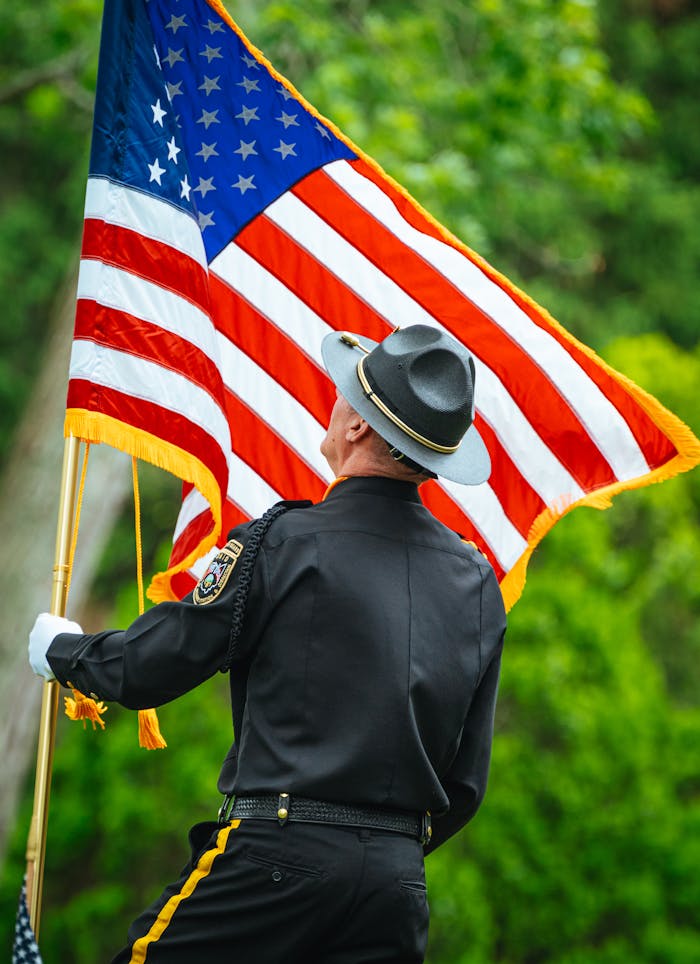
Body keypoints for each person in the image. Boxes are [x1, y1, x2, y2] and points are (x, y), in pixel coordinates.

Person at [29, 323, 506, 964]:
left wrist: (64, 653)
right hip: (397, 884)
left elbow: (155, 665)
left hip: (277, 856)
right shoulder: (477, 582)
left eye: (343, 394)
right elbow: (465, 785)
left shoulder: (288, 542)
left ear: (360, 426)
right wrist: (375, 847)